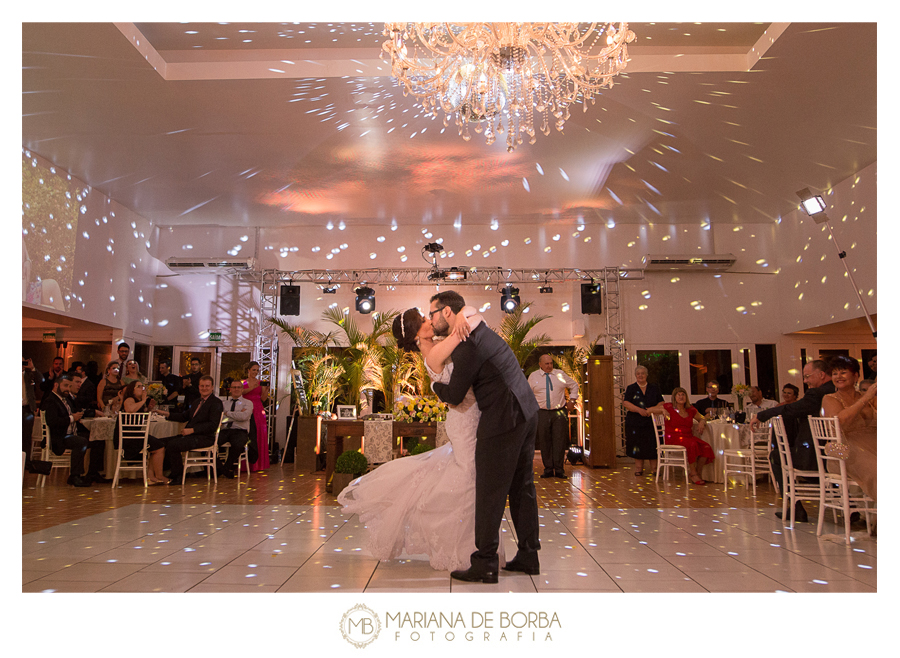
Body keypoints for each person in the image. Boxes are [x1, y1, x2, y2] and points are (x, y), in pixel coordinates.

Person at [339, 305, 487, 571]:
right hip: (465, 420)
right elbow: (459, 337)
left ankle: (467, 545)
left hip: (468, 417)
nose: (430, 320)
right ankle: (462, 548)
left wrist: (463, 313)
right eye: (423, 320)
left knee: (467, 480)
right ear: (417, 334)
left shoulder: (434, 344)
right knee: (467, 482)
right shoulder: (431, 351)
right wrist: (464, 314)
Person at [431, 290, 541, 583]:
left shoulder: (468, 344)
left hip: (505, 417)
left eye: (432, 313)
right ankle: (529, 554)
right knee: (522, 486)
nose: (430, 320)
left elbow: (454, 395)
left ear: (446, 313)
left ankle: (485, 562)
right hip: (527, 410)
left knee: (490, 490)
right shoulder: (479, 327)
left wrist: (434, 388)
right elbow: (469, 308)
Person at [752, 359, 835, 522]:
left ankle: (795, 507)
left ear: (821, 375)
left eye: (807, 376)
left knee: (777, 456)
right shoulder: (837, 391)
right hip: (838, 455)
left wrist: (763, 415)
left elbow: (792, 409)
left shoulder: (817, 394)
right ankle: (850, 507)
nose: (805, 381)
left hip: (816, 458)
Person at [821, 355, 876, 502]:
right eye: (835, 373)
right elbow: (839, 423)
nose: (838, 376)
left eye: (843, 372)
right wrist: (865, 399)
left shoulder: (871, 398)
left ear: (856, 375)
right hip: (841, 449)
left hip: (872, 444)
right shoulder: (830, 398)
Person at [39, 374, 106, 486]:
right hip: (60, 437)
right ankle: (75, 476)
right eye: (65, 386)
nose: (67, 389)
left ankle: (93, 473)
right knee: (80, 442)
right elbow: (53, 422)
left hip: (70, 434)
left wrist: (78, 416)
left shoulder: (65, 400)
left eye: (69, 386)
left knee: (98, 439)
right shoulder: (51, 400)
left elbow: (75, 411)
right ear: (56, 385)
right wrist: (72, 418)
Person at [155, 375, 224, 485]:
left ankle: (178, 476)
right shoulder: (197, 402)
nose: (204, 388)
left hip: (205, 437)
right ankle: (162, 472)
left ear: (212, 387)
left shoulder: (216, 403)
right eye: (202, 386)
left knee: (173, 445)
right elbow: (184, 416)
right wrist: (165, 414)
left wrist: (192, 430)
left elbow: (212, 425)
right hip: (192, 436)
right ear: (199, 387)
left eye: (207, 386)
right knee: (160, 443)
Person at [527, 354, 579, 480]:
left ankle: (560, 470)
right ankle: (548, 469)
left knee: (559, 440)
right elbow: (527, 393)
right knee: (544, 441)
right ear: (540, 364)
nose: (549, 366)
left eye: (551, 363)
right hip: (542, 412)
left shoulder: (559, 374)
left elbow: (574, 385)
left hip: (559, 412)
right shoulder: (533, 376)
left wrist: (572, 400)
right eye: (546, 364)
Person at [650, 387, 713, 485]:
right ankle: (693, 473)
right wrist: (662, 410)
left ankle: (697, 472)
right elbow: (648, 410)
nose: (681, 396)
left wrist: (702, 421)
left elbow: (702, 417)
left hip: (688, 437)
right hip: (673, 438)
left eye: (683, 394)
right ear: (674, 397)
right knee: (692, 444)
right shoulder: (668, 407)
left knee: (706, 447)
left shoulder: (690, 409)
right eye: (678, 395)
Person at [117, 380, 168, 484]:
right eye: (139, 386)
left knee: (157, 445)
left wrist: (148, 409)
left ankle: (151, 476)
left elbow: (138, 417)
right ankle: (158, 475)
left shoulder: (137, 401)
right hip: (129, 437)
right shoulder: (130, 399)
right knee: (159, 446)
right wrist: (143, 401)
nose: (142, 389)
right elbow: (130, 410)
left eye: (142, 386)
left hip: (136, 434)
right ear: (133, 390)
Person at [621, 365, 665, 476]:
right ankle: (639, 469)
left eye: (643, 373)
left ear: (646, 375)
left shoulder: (654, 388)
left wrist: (652, 410)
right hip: (635, 422)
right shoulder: (631, 388)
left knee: (652, 445)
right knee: (637, 444)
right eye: (638, 373)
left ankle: (655, 469)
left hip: (651, 422)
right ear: (636, 375)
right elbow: (626, 403)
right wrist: (639, 410)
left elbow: (661, 403)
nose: (641, 375)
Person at [217, 380, 254, 478]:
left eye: (238, 387)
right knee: (210, 443)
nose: (236, 389)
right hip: (225, 430)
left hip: (240, 430)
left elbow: (244, 417)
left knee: (238, 444)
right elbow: (221, 419)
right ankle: (222, 469)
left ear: (242, 389)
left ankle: (225, 468)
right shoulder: (224, 403)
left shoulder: (248, 403)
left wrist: (228, 413)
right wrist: (237, 414)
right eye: (234, 387)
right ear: (230, 390)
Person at [243, 361, 270, 471]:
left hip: (258, 409)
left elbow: (263, 398)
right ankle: (246, 464)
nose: (255, 372)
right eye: (253, 370)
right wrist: (251, 387)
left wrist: (266, 391)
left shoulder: (260, 382)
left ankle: (259, 464)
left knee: (259, 433)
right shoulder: (243, 382)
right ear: (248, 370)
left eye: (257, 370)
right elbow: (240, 393)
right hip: (246, 408)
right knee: (248, 434)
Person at [23, 357, 44, 472]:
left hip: (26, 408)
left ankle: (26, 462)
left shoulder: (28, 374)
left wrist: (32, 368)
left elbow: (42, 381)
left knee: (26, 436)